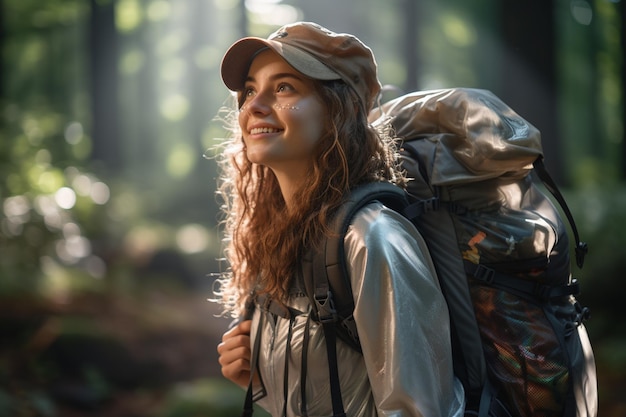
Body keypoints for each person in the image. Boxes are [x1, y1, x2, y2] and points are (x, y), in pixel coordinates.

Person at [215, 21, 465, 417]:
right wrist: (259, 373)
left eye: (284, 88)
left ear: (337, 111)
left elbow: (418, 409)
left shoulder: (372, 238)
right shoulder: (279, 234)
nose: (255, 105)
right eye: (249, 90)